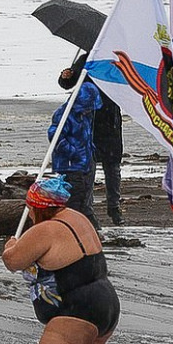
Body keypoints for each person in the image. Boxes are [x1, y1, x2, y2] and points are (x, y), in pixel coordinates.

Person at [1, 176, 124, 344]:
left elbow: (13, 261)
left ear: (38, 208)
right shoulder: (78, 218)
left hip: (76, 308)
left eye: (31, 210)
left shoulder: (46, 230)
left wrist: (10, 247)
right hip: (105, 302)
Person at [59, 52, 124, 226]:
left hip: (111, 120)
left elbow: (127, 86)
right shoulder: (86, 58)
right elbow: (68, 83)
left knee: (113, 167)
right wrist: (66, 76)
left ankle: (114, 207)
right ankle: (88, 211)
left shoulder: (117, 59)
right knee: (89, 167)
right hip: (88, 119)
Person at [48, 80, 102, 229]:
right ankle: (78, 230)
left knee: (84, 198)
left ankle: (89, 231)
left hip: (85, 162)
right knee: (75, 200)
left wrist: (90, 150)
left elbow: (86, 135)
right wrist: (73, 153)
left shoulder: (85, 115)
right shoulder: (64, 114)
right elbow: (55, 136)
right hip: (70, 165)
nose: (89, 110)